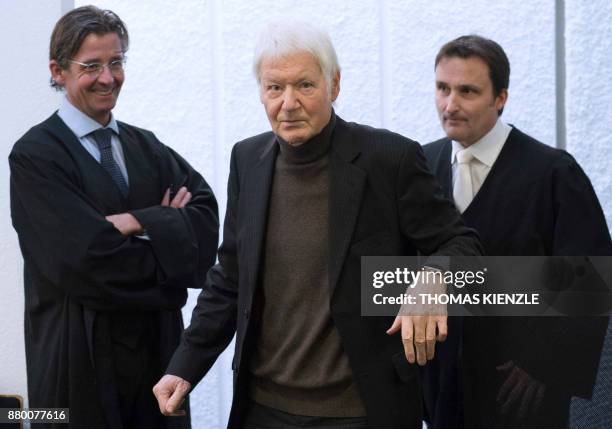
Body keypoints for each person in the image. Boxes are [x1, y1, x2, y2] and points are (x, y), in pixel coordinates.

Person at [152, 21, 482, 429]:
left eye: (305, 85)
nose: (288, 103)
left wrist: (434, 278)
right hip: (262, 409)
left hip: (361, 411)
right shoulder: (247, 160)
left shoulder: (389, 159)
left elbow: (461, 243)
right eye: (275, 88)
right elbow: (230, 278)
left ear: (334, 85)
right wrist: (184, 366)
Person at [9, 6, 219, 429]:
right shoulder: (35, 157)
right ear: (58, 70)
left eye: (116, 62)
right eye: (91, 65)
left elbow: (205, 221)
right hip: (77, 360)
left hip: (158, 357)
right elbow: (89, 260)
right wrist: (168, 253)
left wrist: (141, 220)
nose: (108, 78)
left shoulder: (147, 147)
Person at [421, 35, 612, 429]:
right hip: (441, 387)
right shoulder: (420, 167)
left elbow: (591, 278)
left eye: (467, 91)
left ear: (500, 98)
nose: (450, 105)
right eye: (443, 88)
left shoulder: (554, 173)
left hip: (520, 392)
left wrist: (544, 365)